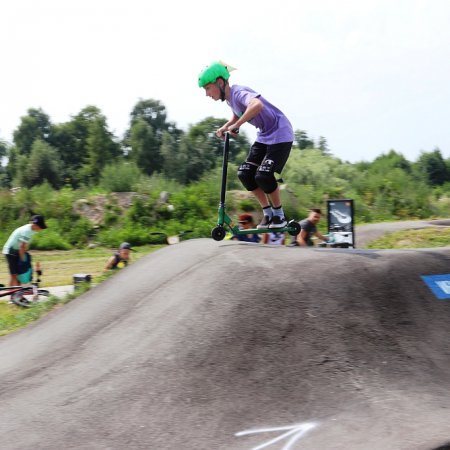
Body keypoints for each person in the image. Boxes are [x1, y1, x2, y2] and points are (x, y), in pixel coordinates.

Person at [198, 61, 294, 230]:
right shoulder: (230, 99)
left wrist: (238, 125)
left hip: (280, 134)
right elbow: (237, 115)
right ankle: (268, 213)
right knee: (245, 173)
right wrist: (226, 127)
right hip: (264, 136)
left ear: (220, 83)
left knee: (264, 175)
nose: (207, 94)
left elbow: (256, 105)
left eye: (207, 88)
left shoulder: (238, 92)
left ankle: (279, 215)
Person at [2, 215, 47, 286]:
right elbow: (22, 246)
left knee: (19, 275)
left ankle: (17, 295)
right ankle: (14, 295)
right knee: (14, 275)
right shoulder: (27, 231)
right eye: (40, 226)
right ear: (35, 225)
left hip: (16, 251)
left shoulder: (32, 230)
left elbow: (24, 246)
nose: (41, 229)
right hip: (10, 252)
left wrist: (24, 258)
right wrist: (23, 261)